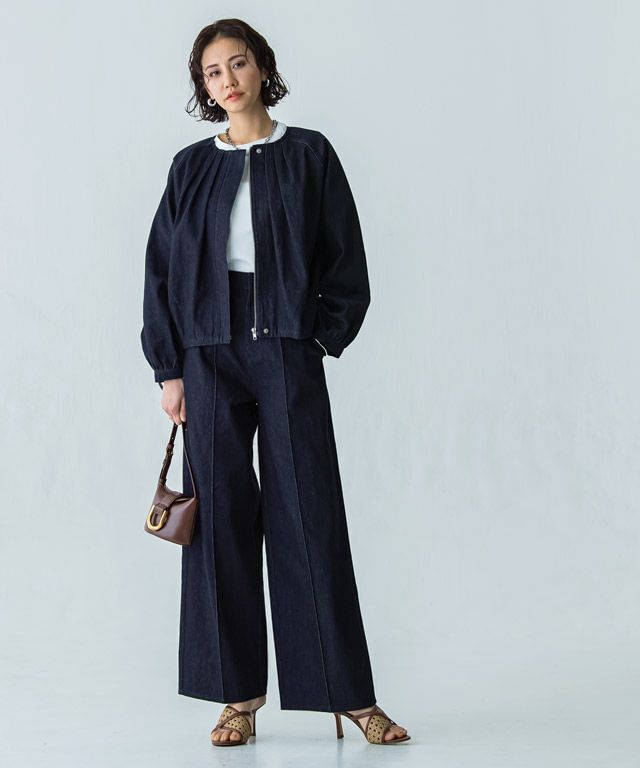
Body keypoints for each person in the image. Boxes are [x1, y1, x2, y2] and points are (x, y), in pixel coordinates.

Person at [140, 18, 411, 747]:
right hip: (207, 352)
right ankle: (238, 698)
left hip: (286, 346)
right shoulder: (190, 168)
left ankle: (349, 697)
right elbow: (161, 270)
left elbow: (345, 257)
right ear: (204, 88)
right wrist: (170, 367)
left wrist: (318, 336)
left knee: (307, 513)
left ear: (261, 67)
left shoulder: (309, 154)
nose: (227, 80)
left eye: (238, 64)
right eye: (212, 72)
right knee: (220, 523)